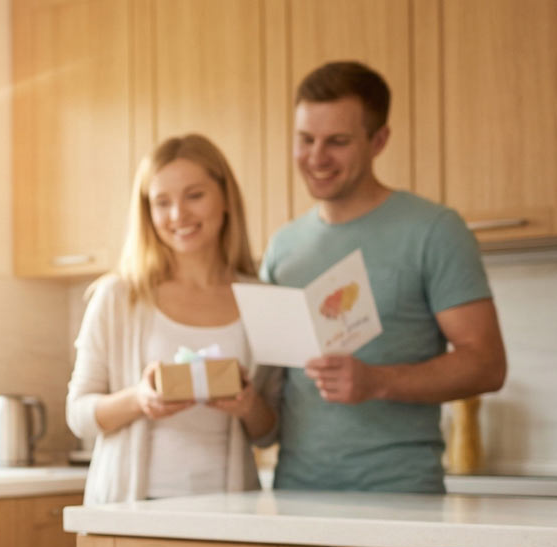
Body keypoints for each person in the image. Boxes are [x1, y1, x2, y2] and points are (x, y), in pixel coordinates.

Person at [262, 61, 507, 492]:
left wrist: (378, 381)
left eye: (337, 141)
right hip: (295, 494)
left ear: (379, 141)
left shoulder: (434, 230)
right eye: (305, 139)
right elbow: (270, 377)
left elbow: (487, 365)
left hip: (400, 493)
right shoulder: (283, 246)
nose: (316, 157)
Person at [67, 134, 278, 504]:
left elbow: (269, 432)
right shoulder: (118, 297)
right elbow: (79, 415)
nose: (178, 215)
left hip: (232, 509)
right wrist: (140, 399)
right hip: (131, 506)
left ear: (226, 197)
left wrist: (248, 405)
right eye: (161, 202)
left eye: (194, 195)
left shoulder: (261, 300)